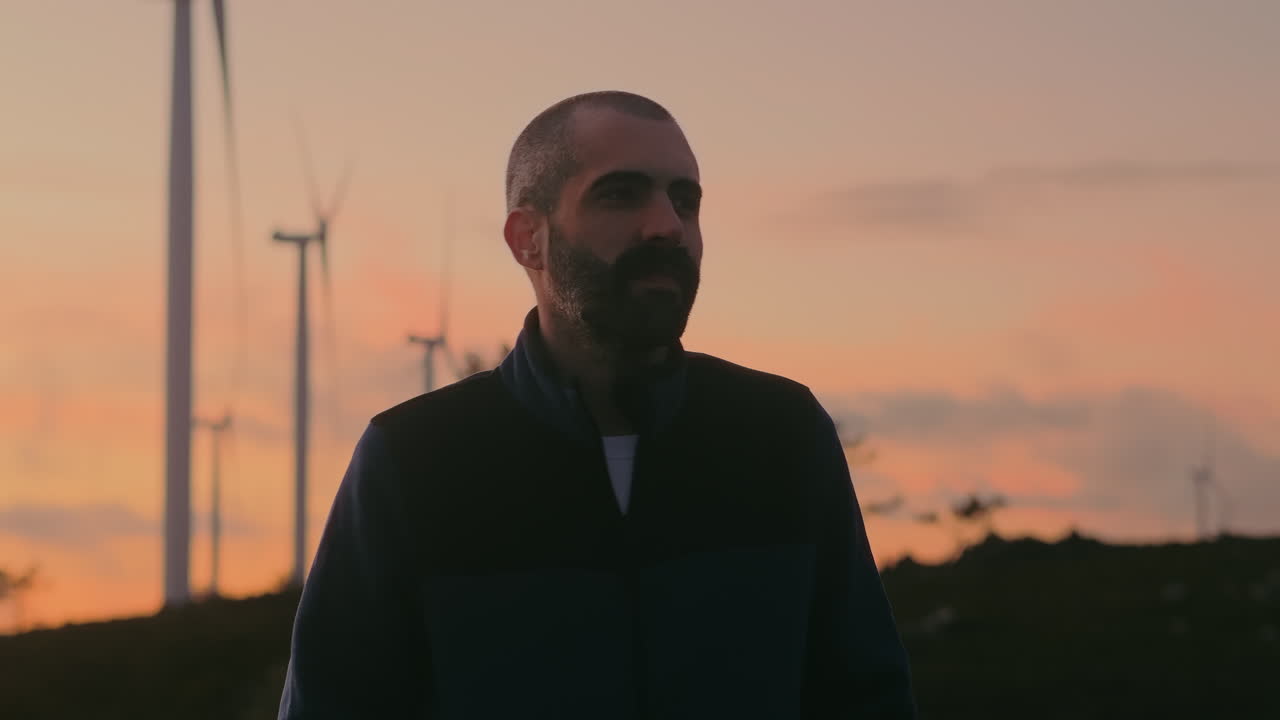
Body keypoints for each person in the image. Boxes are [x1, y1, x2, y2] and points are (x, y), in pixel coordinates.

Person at [278, 90, 916, 719]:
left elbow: (865, 695)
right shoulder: (416, 457)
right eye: (621, 193)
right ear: (528, 238)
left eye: (685, 201)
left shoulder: (782, 433)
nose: (667, 224)